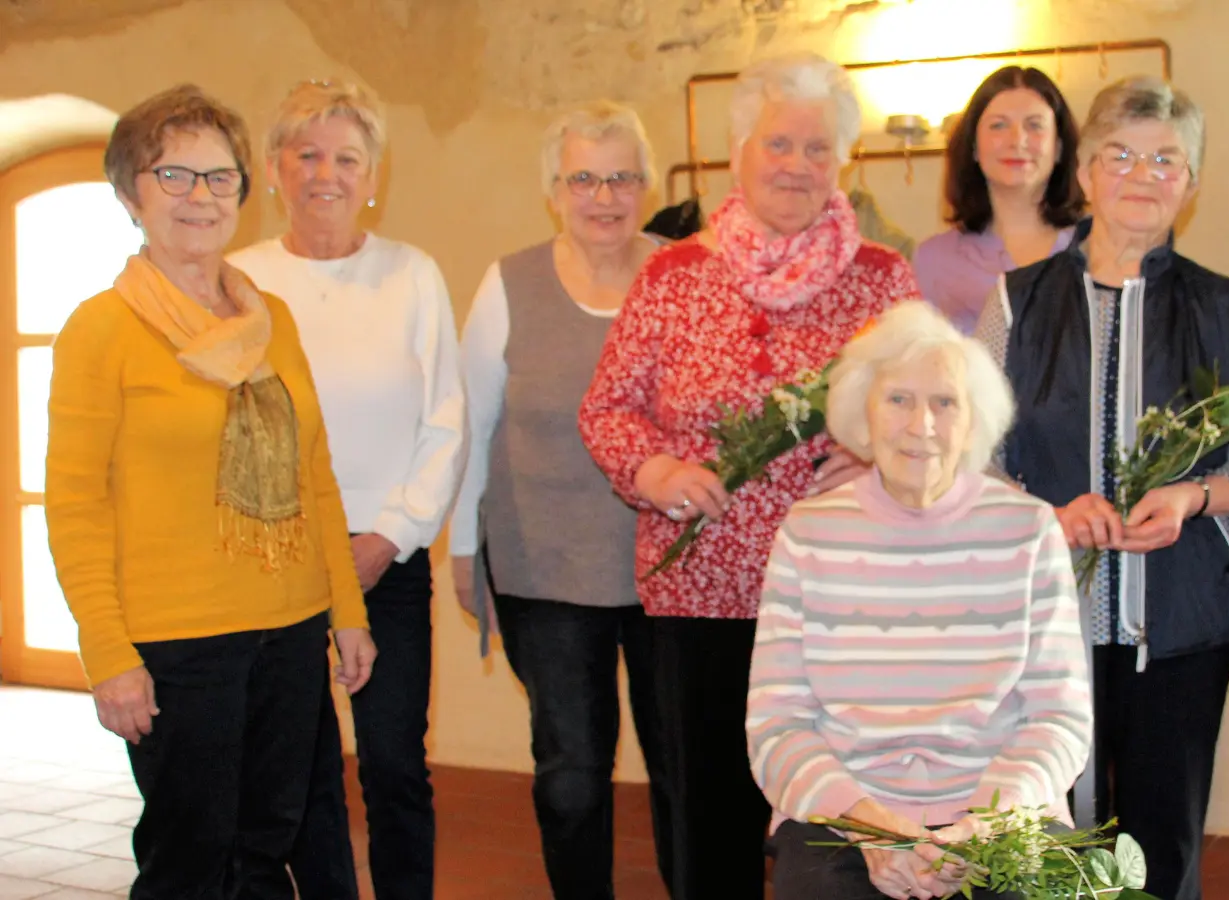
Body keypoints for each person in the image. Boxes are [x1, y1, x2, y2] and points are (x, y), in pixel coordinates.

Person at [578, 52, 921, 900]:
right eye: (779, 144)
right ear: (740, 152)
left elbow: (933, 413)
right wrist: (655, 470)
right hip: (703, 595)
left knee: (846, 827)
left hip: (846, 602)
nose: (796, 166)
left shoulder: (884, 281)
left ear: (841, 162)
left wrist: (881, 452)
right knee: (712, 816)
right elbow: (607, 408)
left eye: (816, 149)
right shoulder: (672, 276)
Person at [44, 83, 375, 899]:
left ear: (242, 192)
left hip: (290, 631)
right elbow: (76, 504)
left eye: (219, 177)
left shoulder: (275, 321)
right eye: (174, 176)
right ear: (131, 194)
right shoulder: (102, 329)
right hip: (177, 644)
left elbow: (316, 482)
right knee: (190, 864)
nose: (200, 197)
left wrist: (347, 613)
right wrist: (108, 656)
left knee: (269, 852)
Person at [974, 75, 1229, 900]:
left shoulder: (1228, 308)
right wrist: (1048, 513)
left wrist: (1191, 498)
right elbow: (970, 459)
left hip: (1181, 619)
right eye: (1121, 154)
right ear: (1083, 172)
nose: (1143, 175)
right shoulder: (1016, 302)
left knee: (1162, 844)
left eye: (1166, 160)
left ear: (1189, 183)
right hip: (1046, 620)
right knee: (1047, 834)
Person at [749, 300, 1092, 900]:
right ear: (864, 411)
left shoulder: (1029, 531)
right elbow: (777, 726)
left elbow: (1058, 720)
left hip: (997, 814)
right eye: (899, 399)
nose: (922, 425)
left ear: (973, 420)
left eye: (945, 402)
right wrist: (874, 828)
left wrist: (978, 828)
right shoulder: (808, 533)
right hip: (848, 814)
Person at [227, 79, 465, 900]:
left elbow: (445, 421)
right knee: (301, 775)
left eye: (347, 158)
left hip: (384, 562)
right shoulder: (236, 281)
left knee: (396, 764)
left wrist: (389, 537)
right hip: (275, 567)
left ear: (373, 177)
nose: (326, 174)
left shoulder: (412, 276)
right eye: (308, 154)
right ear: (273, 169)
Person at [449, 100, 673, 900]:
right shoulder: (507, 283)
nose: (603, 195)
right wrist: (463, 549)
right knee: (571, 774)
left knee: (684, 771)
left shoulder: (686, 276)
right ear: (554, 189)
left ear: (647, 185)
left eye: (620, 176)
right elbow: (473, 421)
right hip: (544, 567)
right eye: (584, 177)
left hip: (674, 568)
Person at [913, 66, 1083, 334]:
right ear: (974, 147)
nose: (1017, 140)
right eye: (999, 125)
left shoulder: (1096, 249)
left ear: (1059, 147)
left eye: (1034, 125)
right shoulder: (932, 261)